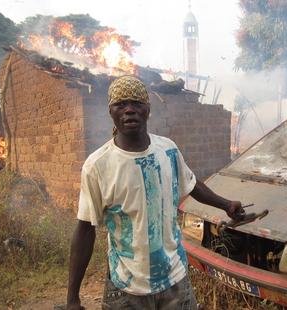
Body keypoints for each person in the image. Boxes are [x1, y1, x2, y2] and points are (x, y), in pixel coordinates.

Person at [66, 75, 244, 310]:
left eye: (136, 103)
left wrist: (226, 204)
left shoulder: (168, 150)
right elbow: (85, 229)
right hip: (126, 289)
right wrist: (72, 299)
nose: (129, 110)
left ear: (148, 109)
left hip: (175, 281)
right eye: (121, 104)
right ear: (111, 111)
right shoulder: (97, 165)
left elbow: (191, 184)